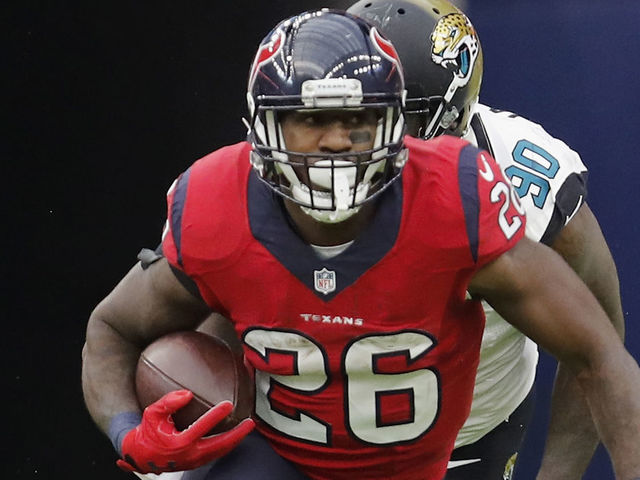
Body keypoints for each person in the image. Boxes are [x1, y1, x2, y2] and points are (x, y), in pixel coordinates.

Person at [81, 9, 640, 480]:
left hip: (467, 426)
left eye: (363, 120)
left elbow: (599, 348)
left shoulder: (471, 193)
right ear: (262, 128)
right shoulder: (220, 200)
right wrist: (142, 431)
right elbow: (187, 315)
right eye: (308, 121)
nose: (335, 147)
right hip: (284, 443)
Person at [345, 1, 626, 478]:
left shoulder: (526, 183)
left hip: (470, 439)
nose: (347, 141)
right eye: (343, 111)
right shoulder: (292, 166)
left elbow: (600, 339)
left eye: (383, 115)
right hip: (318, 433)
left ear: (444, 115)